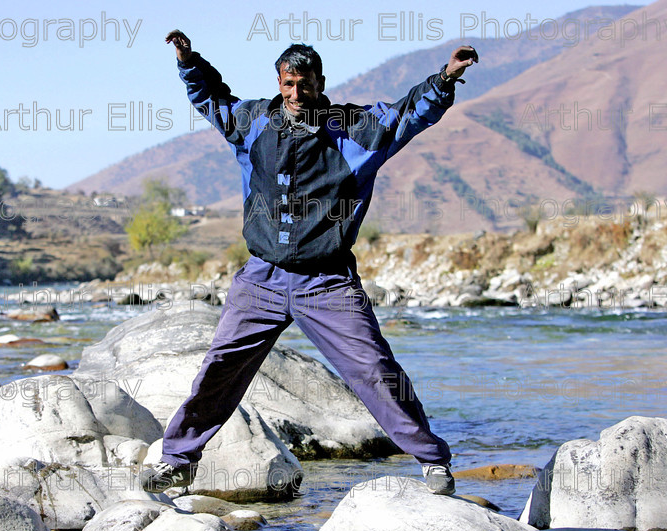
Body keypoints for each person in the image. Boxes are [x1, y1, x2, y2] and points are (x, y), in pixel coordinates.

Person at [140, 30, 478, 496]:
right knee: (221, 368)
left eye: (305, 84)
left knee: (374, 369)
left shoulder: (355, 127)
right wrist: (188, 60)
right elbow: (212, 99)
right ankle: (179, 460)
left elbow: (408, 113)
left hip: (327, 281)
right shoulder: (254, 121)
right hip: (261, 278)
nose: (296, 94)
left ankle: (432, 460)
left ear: (321, 82)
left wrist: (444, 78)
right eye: (288, 84)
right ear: (279, 83)